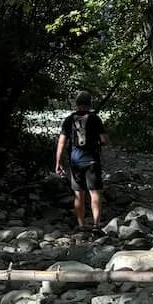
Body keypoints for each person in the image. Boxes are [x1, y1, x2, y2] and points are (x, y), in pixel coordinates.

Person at [55, 92, 109, 228]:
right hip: (92, 160)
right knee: (95, 193)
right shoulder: (95, 119)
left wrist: (58, 162)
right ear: (90, 104)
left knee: (79, 194)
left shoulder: (68, 120)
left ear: (77, 104)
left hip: (75, 161)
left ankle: (81, 225)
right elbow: (104, 140)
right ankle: (96, 225)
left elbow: (61, 143)